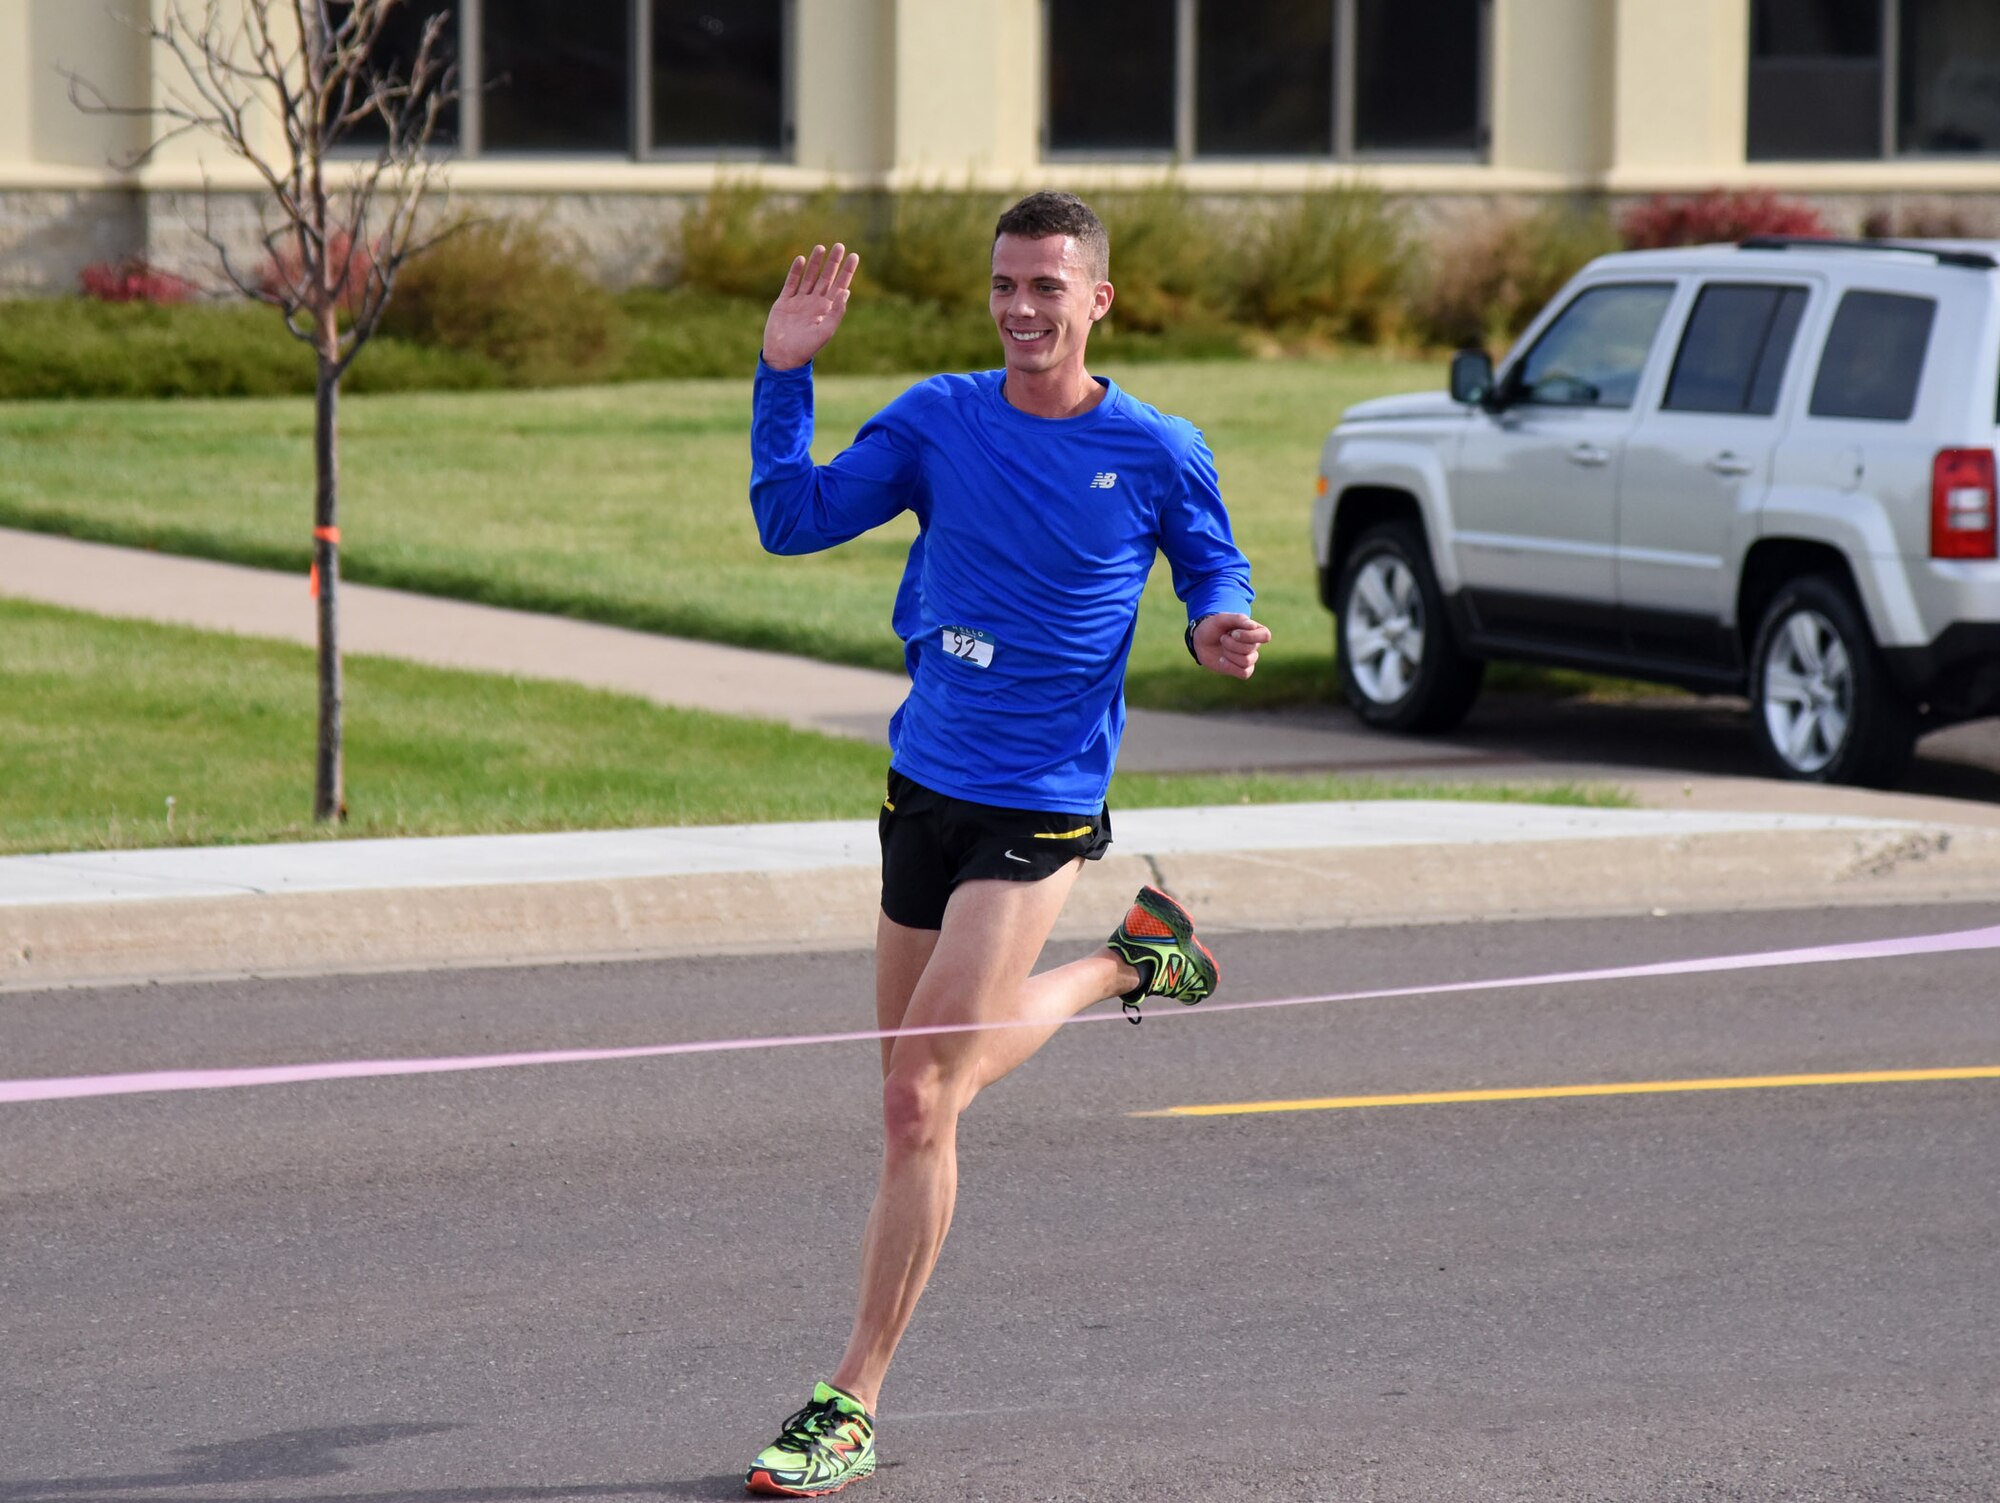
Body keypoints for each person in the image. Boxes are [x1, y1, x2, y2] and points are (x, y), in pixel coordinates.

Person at [741, 190, 1271, 1497]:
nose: (1024, 309)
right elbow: (791, 519)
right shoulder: (938, 420)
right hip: (926, 784)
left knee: (925, 1091)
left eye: (1050, 287)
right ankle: (1133, 961)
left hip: (1042, 798)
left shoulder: (1156, 447)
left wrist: (1219, 625)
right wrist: (781, 375)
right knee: (908, 1104)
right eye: (1006, 287)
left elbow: (1214, 567)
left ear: (1098, 300)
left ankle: (849, 1400)